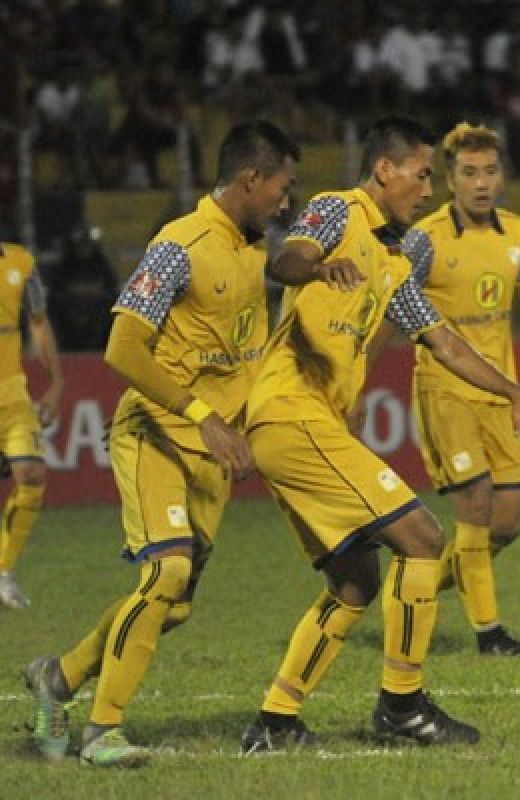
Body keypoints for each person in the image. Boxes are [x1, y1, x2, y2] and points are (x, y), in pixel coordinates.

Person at [23, 121, 359, 767]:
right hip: (157, 434)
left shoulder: (250, 248)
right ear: (250, 180)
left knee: (170, 607)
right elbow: (122, 346)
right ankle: (101, 732)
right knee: (167, 572)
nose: (287, 203)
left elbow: (239, 351)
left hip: (212, 451)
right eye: (283, 188)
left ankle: (58, 678)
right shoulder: (180, 243)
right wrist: (204, 415)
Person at [238, 117, 520, 753]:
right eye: (422, 176)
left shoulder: (392, 263)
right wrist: (315, 264)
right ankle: (401, 705)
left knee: (356, 580)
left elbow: (445, 342)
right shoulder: (339, 211)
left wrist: (515, 392)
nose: (428, 191)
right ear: (385, 170)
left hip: (302, 423)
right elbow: (289, 258)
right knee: (422, 538)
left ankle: (276, 721)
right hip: (290, 411)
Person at [401, 122, 520, 658]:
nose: (481, 183)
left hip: (503, 394)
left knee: (507, 522)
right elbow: (390, 307)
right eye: (469, 173)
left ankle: (415, 586)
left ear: (502, 175)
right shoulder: (424, 240)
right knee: (476, 504)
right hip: (445, 389)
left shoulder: (518, 233)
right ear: (449, 179)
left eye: (490, 171)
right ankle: (491, 634)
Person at [0, 240, 64, 609]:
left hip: (11, 397)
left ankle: (4, 570)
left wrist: (56, 381)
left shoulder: (21, 263)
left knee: (32, 474)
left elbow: (39, 322)